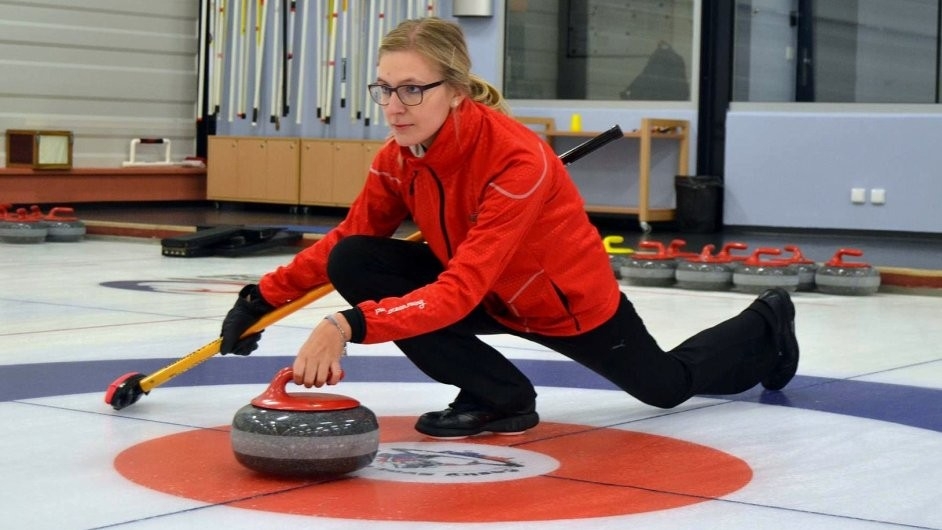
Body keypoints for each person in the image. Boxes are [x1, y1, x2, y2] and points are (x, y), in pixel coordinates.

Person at [220, 17, 799, 439]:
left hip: (563, 305)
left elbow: (462, 287)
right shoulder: (399, 158)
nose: (394, 106)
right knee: (357, 261)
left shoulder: (515, 160)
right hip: (484, 292)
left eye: (412, 89)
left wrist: (348, 324)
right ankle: (500, 398)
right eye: (385, 89)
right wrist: (261, 298)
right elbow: (349, 239)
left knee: (666, 387)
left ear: (456, 90)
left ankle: (767, 322)